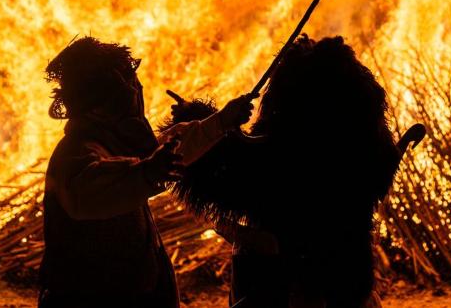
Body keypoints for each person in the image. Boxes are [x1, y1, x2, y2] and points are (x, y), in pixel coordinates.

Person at [169, 35, 402, 307]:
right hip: (348, 280)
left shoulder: (280, 153)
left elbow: (228, 179)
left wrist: (195, 119)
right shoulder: (369, 147)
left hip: (284, 286)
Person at [38, 36, 255, 308]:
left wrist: (221, 121)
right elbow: (98, 190)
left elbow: (167, 152)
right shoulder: (76, 153)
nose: (135, 92)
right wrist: (149, 172)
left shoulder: (112, 142)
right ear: (103, 100)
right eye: (127, 86)